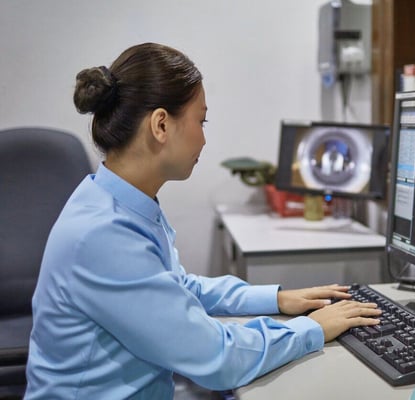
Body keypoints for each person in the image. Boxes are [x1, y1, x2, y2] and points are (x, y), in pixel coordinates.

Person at [24, 42, 382, 399]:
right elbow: (217, 358)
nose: (204, 137)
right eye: (201, 120)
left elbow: (179, 288)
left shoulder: (116, 201)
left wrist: (276, 299)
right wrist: (311, 330)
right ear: (161, 125)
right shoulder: (103, 234)